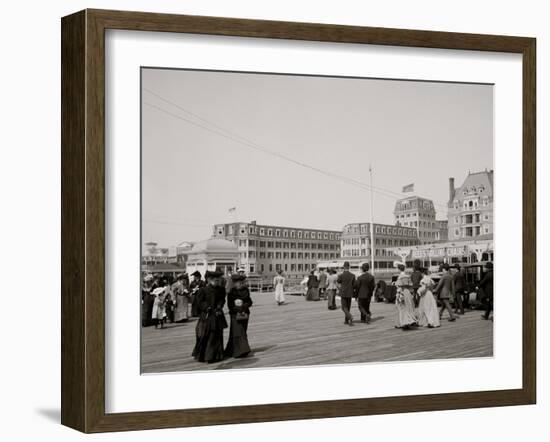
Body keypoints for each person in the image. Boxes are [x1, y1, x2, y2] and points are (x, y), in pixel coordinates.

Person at [191, 269, 228, 363]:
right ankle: (207, 356)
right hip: (207, 316)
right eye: (215, 280)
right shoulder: (203, 290)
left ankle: (218, 355)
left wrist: (220, 305)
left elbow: (222, 299)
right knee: (207, 335)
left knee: (218, 335)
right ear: (209, 280)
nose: (217, 281)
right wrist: (206, 307)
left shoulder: (221, 289)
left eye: (218, 280)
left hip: (217, 314)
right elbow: (199, 302)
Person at [224, 274, 253, 358]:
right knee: (237, 331)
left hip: (245, 313)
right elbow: (230, 305)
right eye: (238, 283)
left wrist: (244, 306)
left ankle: (242, 350)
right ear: (234, 283)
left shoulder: (246, 290)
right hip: (234, 314)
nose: (240, 284)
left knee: (243, 331)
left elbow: (250, 302)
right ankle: (238, 351)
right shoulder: (231, 292)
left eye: (241, 282)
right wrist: (238, 309)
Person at [394, 262, 418, 330]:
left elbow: (399, 286)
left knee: (401, 308)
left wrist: (395, 285)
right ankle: (407, 321)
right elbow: (410, 286)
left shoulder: (400, 277)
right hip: (407, 292)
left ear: (399, 269)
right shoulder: (408, 276)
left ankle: (404, 322)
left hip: (402, 292)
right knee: (408, 307)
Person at [337, 261, 356, 326]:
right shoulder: (353, 275)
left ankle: (350, 316)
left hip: (343, 292)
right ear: (349, 267)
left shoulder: (341, 275)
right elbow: (354, 284)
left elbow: (338, 281)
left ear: (344, 267)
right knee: (348, 306)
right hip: (350, 292)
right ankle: (346, 320)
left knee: (343, 307)